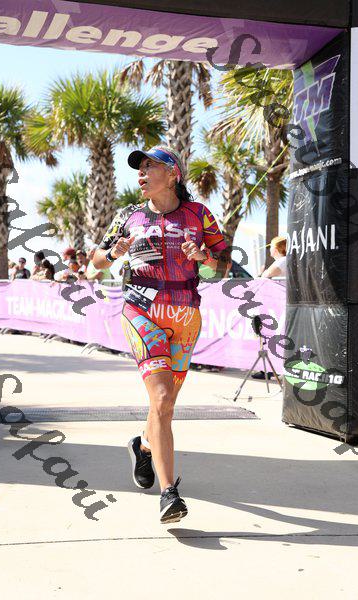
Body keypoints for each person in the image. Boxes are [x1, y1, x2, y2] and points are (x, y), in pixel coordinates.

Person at [93, 145, 229, 524]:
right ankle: (169, 494)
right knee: (163, 398)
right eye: (139, 168)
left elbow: (220, 267)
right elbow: (95, 262)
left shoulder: (199, 214)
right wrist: (114, 253)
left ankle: (143, 446)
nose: (141, 173)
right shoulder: (128, 215)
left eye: (149, 166)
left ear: (173, 174)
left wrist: (203, 258)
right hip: (141, 310)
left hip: (185, 315)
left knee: (163, 407)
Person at [252, 236, 287, 380]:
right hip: (276, 304)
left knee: (278, 336)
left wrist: (262, 272)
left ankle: (276, 369)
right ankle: (269, 368)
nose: (270, 249)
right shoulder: (281, 261)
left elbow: (266, 274)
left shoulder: (283, 260)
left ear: (277, 248)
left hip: (280, 304)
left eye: (271, 246)